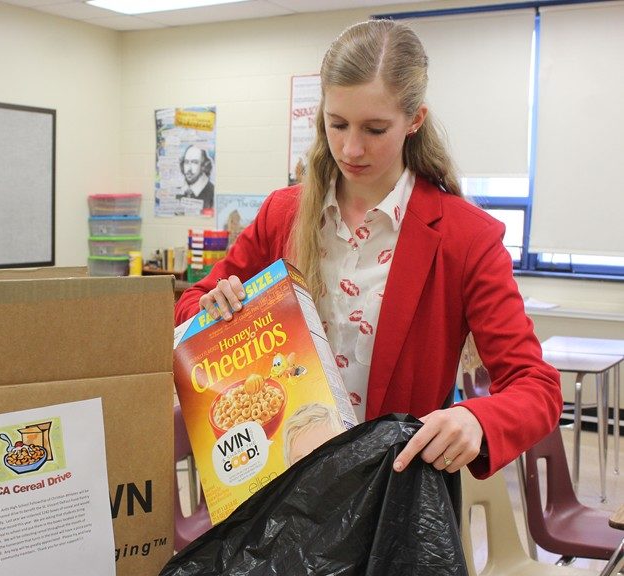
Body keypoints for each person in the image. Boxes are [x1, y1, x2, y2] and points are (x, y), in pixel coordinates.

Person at [174, 19, 562, 481]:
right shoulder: (284, 214)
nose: (351, 148)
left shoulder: (466, 238)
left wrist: (475, 419)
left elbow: (536, 387)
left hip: (396, 492)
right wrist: (211, 307)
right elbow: (191, 305)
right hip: (283, 483)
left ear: (414, 119)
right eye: (336, 124)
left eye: (375, 129)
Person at [177, 144, 215, 211]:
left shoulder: (212, 192)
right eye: (186, 162)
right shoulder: (177, 190)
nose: (189, 169)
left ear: (204, 166)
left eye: (195, 162)